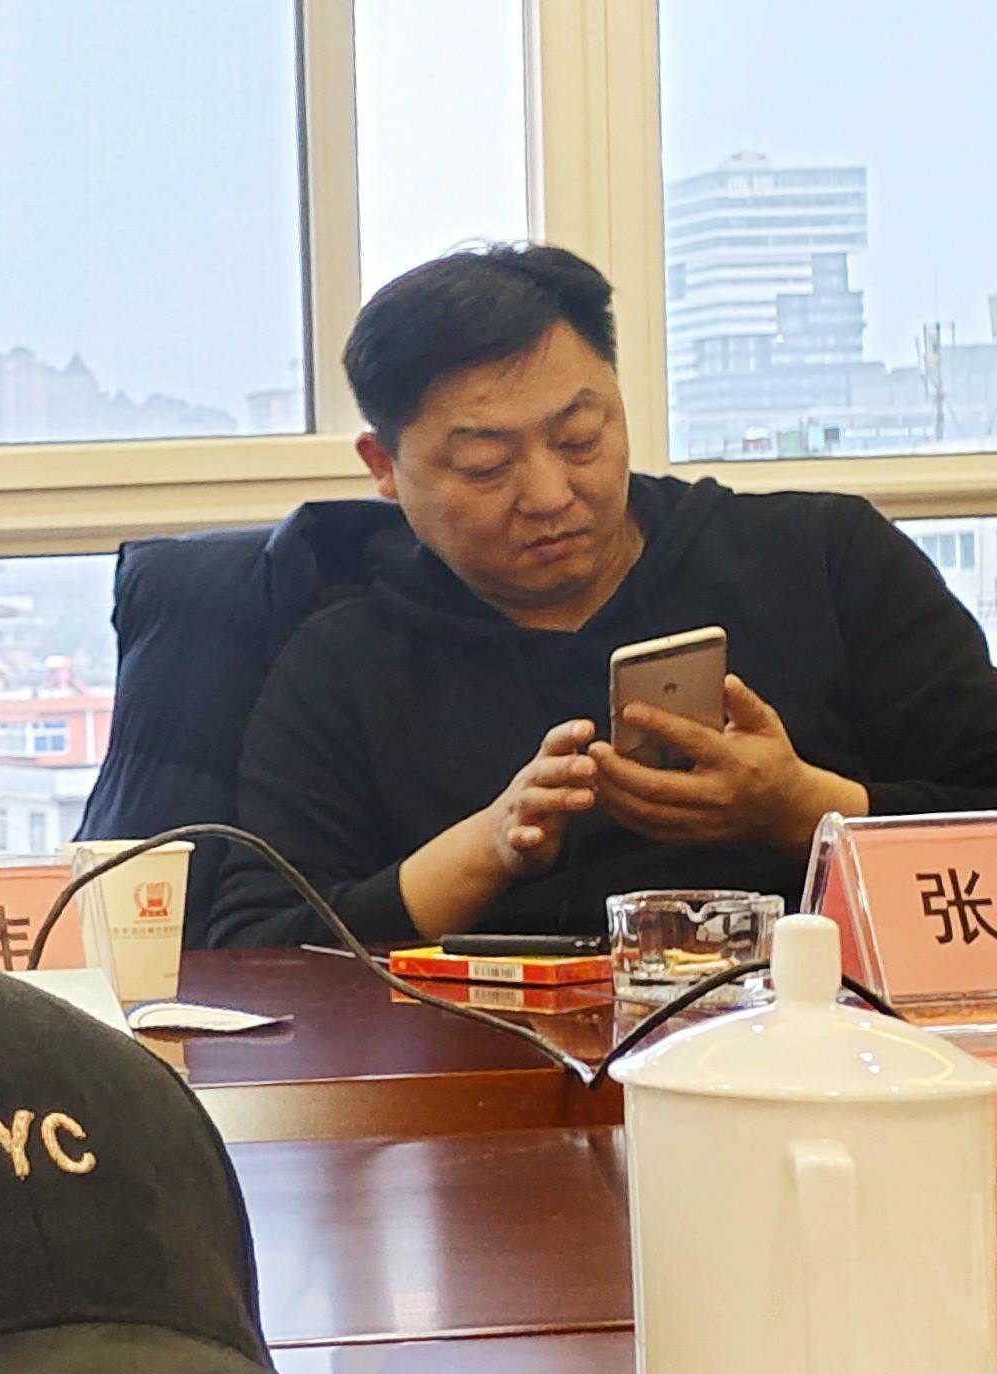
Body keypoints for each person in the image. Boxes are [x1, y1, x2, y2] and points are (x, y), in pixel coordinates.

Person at [209, 242, 997, 947]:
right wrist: (485, 849)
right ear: (383, 466)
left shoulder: (825, 559)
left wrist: (801, 809)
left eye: (579, 440)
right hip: (486, 1055)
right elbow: (258, 948)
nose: (551, 494)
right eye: (487, 466)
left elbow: (981, 804)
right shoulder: (344, 664)